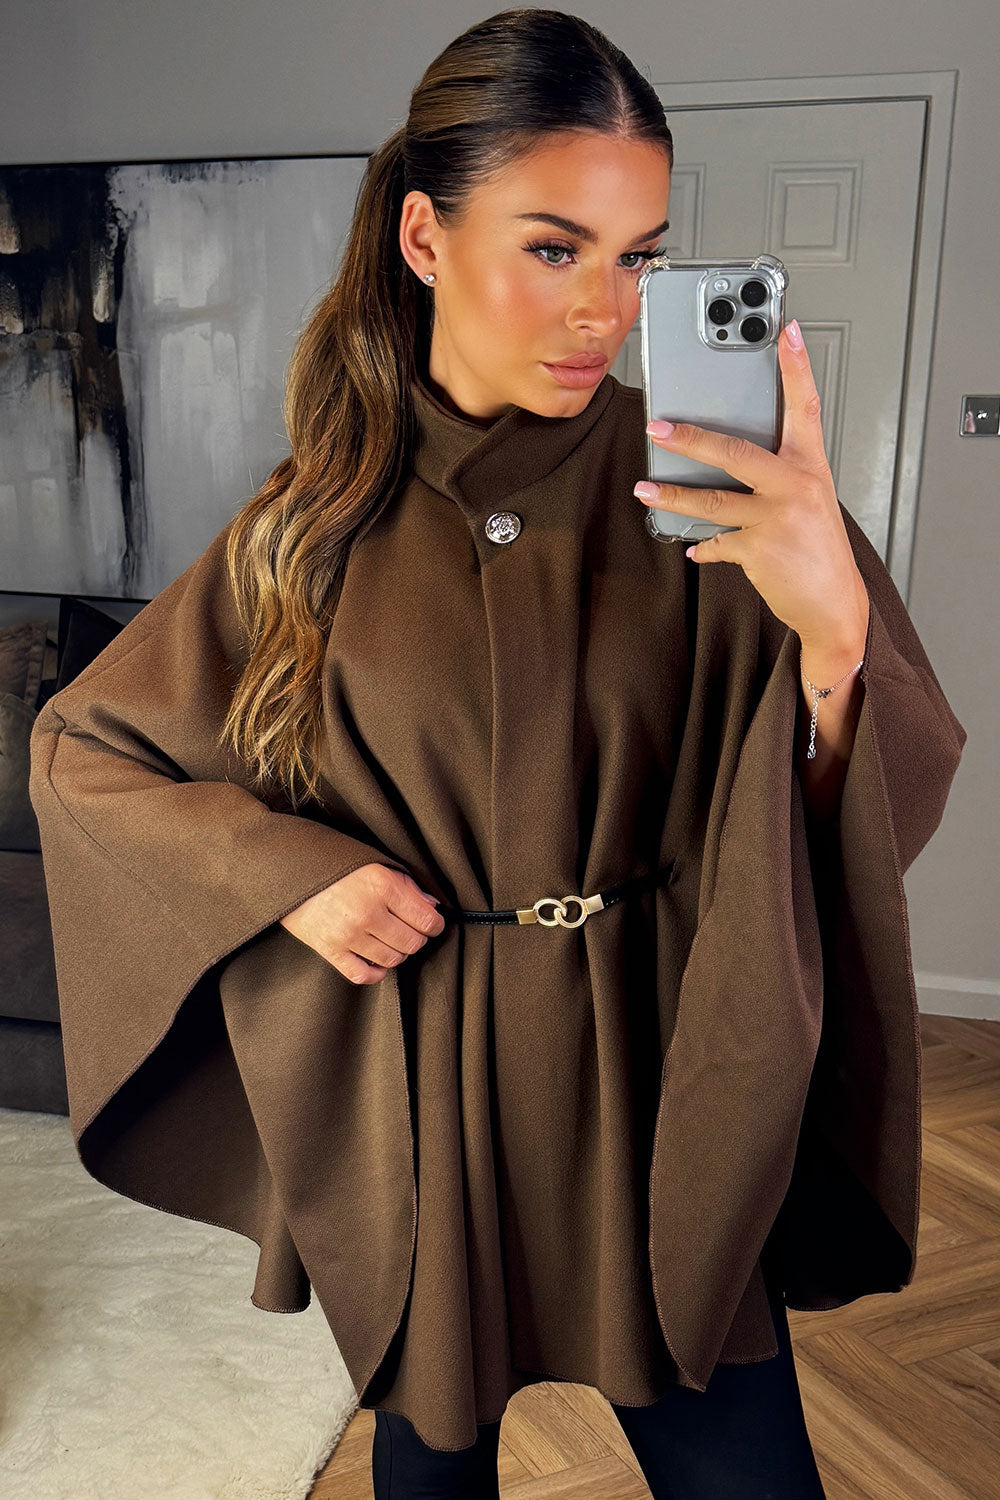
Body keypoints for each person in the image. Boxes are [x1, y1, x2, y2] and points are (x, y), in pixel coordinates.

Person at [29, 9, 966, 1499]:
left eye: (641, 256)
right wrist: (289, 877)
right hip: (427, 1088)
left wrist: (836, 635)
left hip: (670, 1065)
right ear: (425, 235)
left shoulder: (727, 500)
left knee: (745, 1467)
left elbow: (865, 808)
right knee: (431, 1467)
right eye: (554, 247)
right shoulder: (309, 524)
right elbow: (83, 752)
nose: (605, 307)